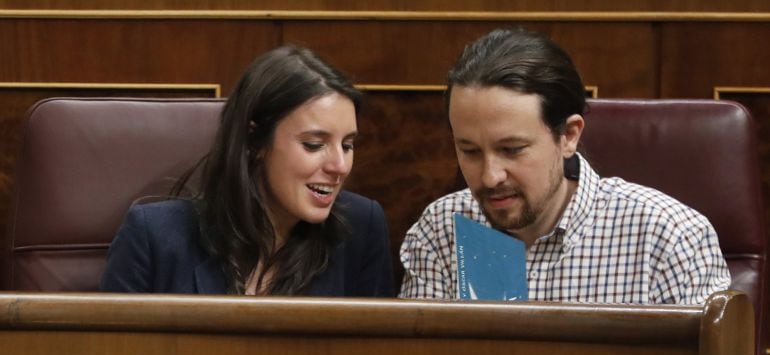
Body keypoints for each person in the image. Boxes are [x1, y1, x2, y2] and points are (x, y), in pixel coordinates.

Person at [399, 27, 730, 304]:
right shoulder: (441, 231)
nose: (490, 176)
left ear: (568, 135)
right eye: (469, 151)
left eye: (512, 149)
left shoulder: (668, 237)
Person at [101, 45, 394, 297]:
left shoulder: (362, 229)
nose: (339, 166)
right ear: (255, 140)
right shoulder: (153, 236)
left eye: (347, 145)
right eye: (314, 145)